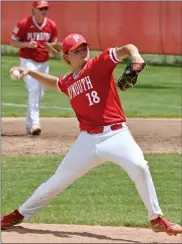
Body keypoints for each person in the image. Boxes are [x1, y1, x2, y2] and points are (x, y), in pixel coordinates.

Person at [2, 33, 181, 236]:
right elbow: (56, 83)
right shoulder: (69, 81)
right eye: (77, 50)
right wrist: (30, 72)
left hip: (116, 135)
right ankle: (19, 214)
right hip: (87, 141)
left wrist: (136, 56)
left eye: (84, 47)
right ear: (67, 56)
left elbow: (127, 46)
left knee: (140, 167)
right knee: (57, 181)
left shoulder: (97, 64)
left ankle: (156, 219)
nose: (83, 52)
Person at [10, 1, 61, 135]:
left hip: (44, 62)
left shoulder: (51, 25)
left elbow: (54, 45)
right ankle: (35, 123)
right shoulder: (24, 24)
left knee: (39, 95)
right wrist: (26, 44)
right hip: (27, 61)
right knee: (33, 88)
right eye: (40, 8)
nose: (44, 10)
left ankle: (29, 124)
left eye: (45, 8)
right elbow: (13, 42)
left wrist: (52, 47)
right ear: (33, 10)